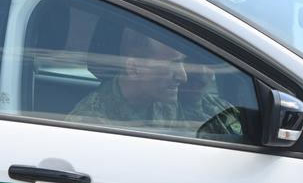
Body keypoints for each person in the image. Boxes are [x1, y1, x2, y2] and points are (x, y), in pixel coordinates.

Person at [71, 24, 243, 141]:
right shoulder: (91, 124)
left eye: (183, 63)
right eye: (172, 65)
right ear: (134, 68)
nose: (183, 77)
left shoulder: (163, 99)